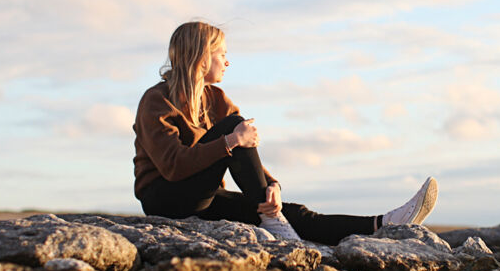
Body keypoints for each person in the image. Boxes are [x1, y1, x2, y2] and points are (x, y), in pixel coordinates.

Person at [133, 21, 437, 244]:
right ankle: (272, 219)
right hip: (165, 198)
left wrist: (272, 186)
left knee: (292, 212)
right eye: (221, 53)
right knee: (235, 129)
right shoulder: (156, 101)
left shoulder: (217, 100)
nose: (227, 61)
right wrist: (230, 140)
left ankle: (383, 225)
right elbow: (174, 166)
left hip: (205, 197)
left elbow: (241, 151)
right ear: (201, 57)